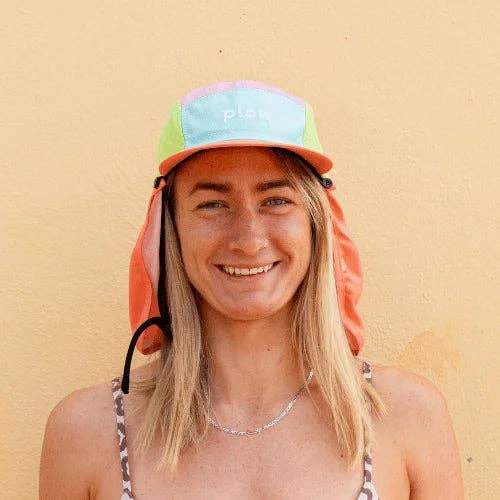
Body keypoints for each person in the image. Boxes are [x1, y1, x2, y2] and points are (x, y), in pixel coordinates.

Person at [39, 80, 464, 499]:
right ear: (168, 231)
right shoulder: (86, 434)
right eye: (212, 204)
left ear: (317, 223)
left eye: (276, 200)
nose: (248, 239)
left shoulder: (409, 417)